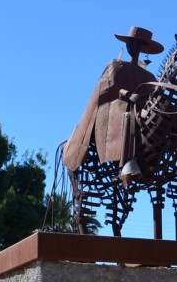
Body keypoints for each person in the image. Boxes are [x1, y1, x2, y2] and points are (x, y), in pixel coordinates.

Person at [63, 27, 164, 175]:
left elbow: (154, 96)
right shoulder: (116, 65)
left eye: (138, 44)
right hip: (118, 104)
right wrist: (128, 95)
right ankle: (126, 162)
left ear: (143, 48)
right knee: (128, 115)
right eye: (131, 44)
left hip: (143, 109)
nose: (133, 47)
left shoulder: (149, 76)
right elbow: (110, 88)